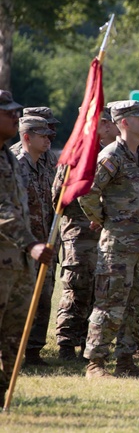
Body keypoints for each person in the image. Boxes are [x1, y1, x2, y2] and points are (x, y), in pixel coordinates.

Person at [78, 100, 139, 378]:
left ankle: (125, 360)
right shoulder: (112, 155)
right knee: (110, 304)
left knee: (135, 307)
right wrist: (101, 218)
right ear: (124, 123)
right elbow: (87, 191)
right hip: (118, 245)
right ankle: (95, 363)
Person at [0, 91, 54, 398]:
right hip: (17, 251)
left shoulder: (6, 156)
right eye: (6, 112)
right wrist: (30, 243)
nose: (13, 116)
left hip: (17, 260)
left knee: (13, 334)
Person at [53, 106, 117, 361]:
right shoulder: (78, 153)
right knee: (76, 287)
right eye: (108, 122)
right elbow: (58, 197)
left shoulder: (108, 153)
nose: (112, 126)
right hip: (78, 232)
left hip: (101, 232)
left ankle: (88, 345)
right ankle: (67, 345)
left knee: (98, 288)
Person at [15, 116, 57, 366]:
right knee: (22, 300)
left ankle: (34, 351)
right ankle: (16, 350)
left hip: (45, 243)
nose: (48, 138)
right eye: (42, 135)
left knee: (44, 297)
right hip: (24, 245)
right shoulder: (17, 165)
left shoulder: (44, 164)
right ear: (27, 137)